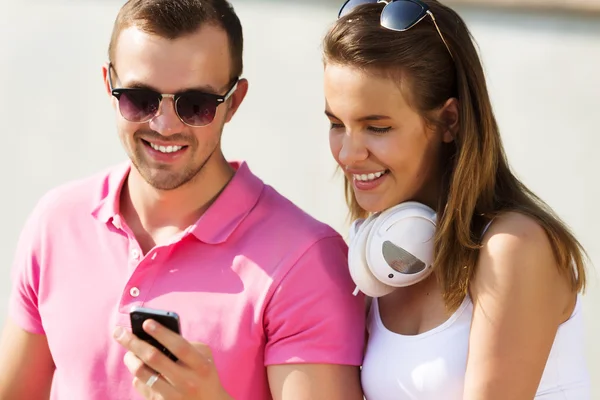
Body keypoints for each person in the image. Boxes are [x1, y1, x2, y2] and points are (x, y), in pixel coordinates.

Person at [0, 1, 366, 399]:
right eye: (140, 98)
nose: (165, 124)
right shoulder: (57, 222)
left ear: (234, 102)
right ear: (109, 86)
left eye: (196, 104)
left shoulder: (306, 261)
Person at [321, 0, 590, 399]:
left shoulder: (513, 247)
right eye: (336, 124)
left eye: (376, 127)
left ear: (449, 120)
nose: (348, 153)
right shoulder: (378, 260)